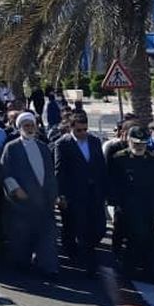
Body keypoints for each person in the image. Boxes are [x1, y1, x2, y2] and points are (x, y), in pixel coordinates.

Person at [0, 113, 59, 277]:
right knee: (23, 236)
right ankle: (22, 264)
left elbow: (50, 173)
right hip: (22, 202)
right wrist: (16, 189)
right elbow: (6, 172)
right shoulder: (11, 147)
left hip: (43, 201)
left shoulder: (43, 147)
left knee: (47, 235)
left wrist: (54, 195)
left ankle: (48, 267)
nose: (29, 128)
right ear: (19, 128)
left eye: (31, 125)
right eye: (26, 126)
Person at [53, 113, 108, 275]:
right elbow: (60, 171)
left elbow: (101, 167)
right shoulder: (62, 144)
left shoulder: (94, 141)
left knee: (99, 228)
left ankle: (83, 251)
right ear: (71, 129)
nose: (83, 133)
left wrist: (104, 190)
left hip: (94, 194)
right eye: (79, 130)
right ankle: (87, 264)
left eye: (85, 129)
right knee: (79, 228)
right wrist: (61, 195)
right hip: (74, 194)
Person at [108, 126, 154, 280]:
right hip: (129, 207)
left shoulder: (153, 158)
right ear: (129, 141)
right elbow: (113, 183)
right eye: (136, 143)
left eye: (143, 143)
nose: (140, 146)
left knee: (151, 239)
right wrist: (117, 205)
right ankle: (129, 269)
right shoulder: (119, 158)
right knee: (134, 239)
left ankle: (150, 270)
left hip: (150, 206)